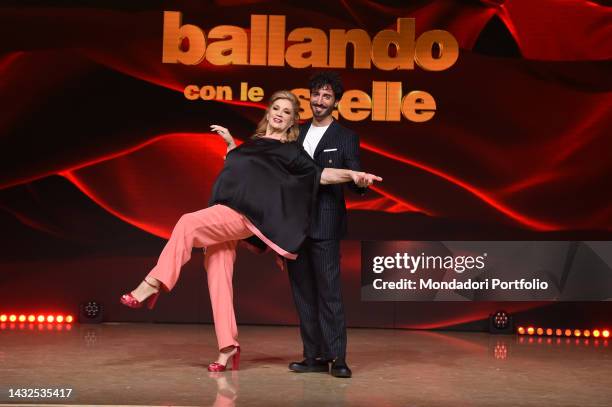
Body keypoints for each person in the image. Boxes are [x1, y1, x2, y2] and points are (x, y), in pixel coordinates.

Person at [120, 90, 381, 373]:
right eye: (276, 108)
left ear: (293, 120)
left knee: (187, 222)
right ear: (269, 112)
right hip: (226, 213)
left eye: (287, 112)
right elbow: (244, 172)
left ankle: (153, 283)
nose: (280, 114)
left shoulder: (291, 151)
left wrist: (352, 175)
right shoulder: (252, 144)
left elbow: (320, 175)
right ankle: (227, 349)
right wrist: (232, 144)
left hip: (245, 217)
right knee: (218, 277)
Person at [286, 71, 362, 378]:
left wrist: (359, 181)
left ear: (336, 102)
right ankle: (313, 356)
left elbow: (356, 180)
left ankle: (338, 358)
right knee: (303, 294)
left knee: (329, 293)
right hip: (295, 226)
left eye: (326, 96)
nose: (320, 101)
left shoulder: (346, 137)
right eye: (316, 94)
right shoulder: (295, 133)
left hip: (326, 226)